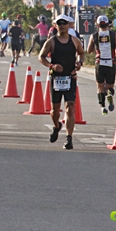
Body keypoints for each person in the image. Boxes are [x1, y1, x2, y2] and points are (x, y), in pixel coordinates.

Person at [39, 14, 85, 150]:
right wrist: (51, 66)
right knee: (54, 110)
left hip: (70, 77)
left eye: (65, 23)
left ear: (69, 24)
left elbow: (82, 53)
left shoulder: (75, 41)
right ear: (55, 25)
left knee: (70, 107)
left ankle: (69, 138)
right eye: (60, 23)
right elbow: (41, 57)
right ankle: (57, 125)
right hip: (56, 79)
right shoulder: (51, 41)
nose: (62, 25)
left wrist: (79, 63)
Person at [87, 15, 116, 115]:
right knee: (110, 85)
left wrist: (96, 51)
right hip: (111, 62)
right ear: (108, 24)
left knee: (100, 87)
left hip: (99, 62)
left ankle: (102, 107)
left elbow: (88, 50)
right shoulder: (113, 35)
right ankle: (110, 94)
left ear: (97, 24)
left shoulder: (94, 35)